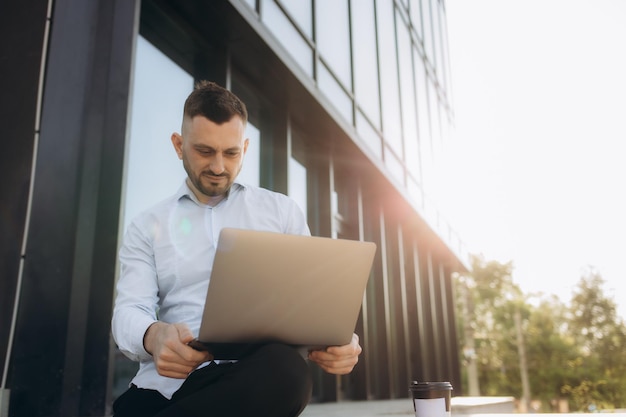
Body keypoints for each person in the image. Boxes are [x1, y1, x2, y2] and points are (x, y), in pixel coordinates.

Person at [111, 80, 362, 417]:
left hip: (257, 379)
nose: (218, 167)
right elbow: (128, 312)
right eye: (204, 151)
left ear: (245, 147)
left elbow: (312, 305)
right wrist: (153, 336)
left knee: (288, 372)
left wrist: (340, 339)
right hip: (171, 388)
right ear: (178, 144)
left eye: (231, 153)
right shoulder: (147, 225)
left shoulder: (281, 212)